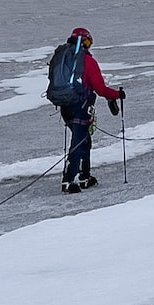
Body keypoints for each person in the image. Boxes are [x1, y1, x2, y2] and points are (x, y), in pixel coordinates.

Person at [50, 27, 124, 194]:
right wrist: (117, 94)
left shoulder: (63, 58)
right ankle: (69, 180)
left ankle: (84, 177)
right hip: (81, 107)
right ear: (85, 42)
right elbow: (100, 88)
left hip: (65, 107)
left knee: (84, 140)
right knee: (79, 141)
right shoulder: (88, 61)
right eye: (89, 42)